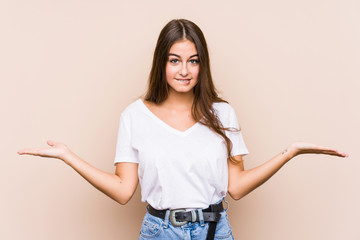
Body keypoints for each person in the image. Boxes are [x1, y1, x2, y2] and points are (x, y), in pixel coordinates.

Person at [18, 19, 348, 240]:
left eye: (193, 60)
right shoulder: (135, 116)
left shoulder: (222, 113)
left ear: (202, 64)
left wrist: (289, 153)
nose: (184, 70)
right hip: (159, 231)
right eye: (175, 60)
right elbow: (122, 190)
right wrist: (67, 156)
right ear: (161, 63)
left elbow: (237, 186)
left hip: (215, 230)